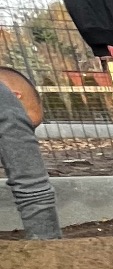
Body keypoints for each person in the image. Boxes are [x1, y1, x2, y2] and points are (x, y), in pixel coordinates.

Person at [0, 72, 62, 239]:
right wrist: (51, 255)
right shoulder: (4, 101)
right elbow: (32, 189)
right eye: (27, 126)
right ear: (15, 97)